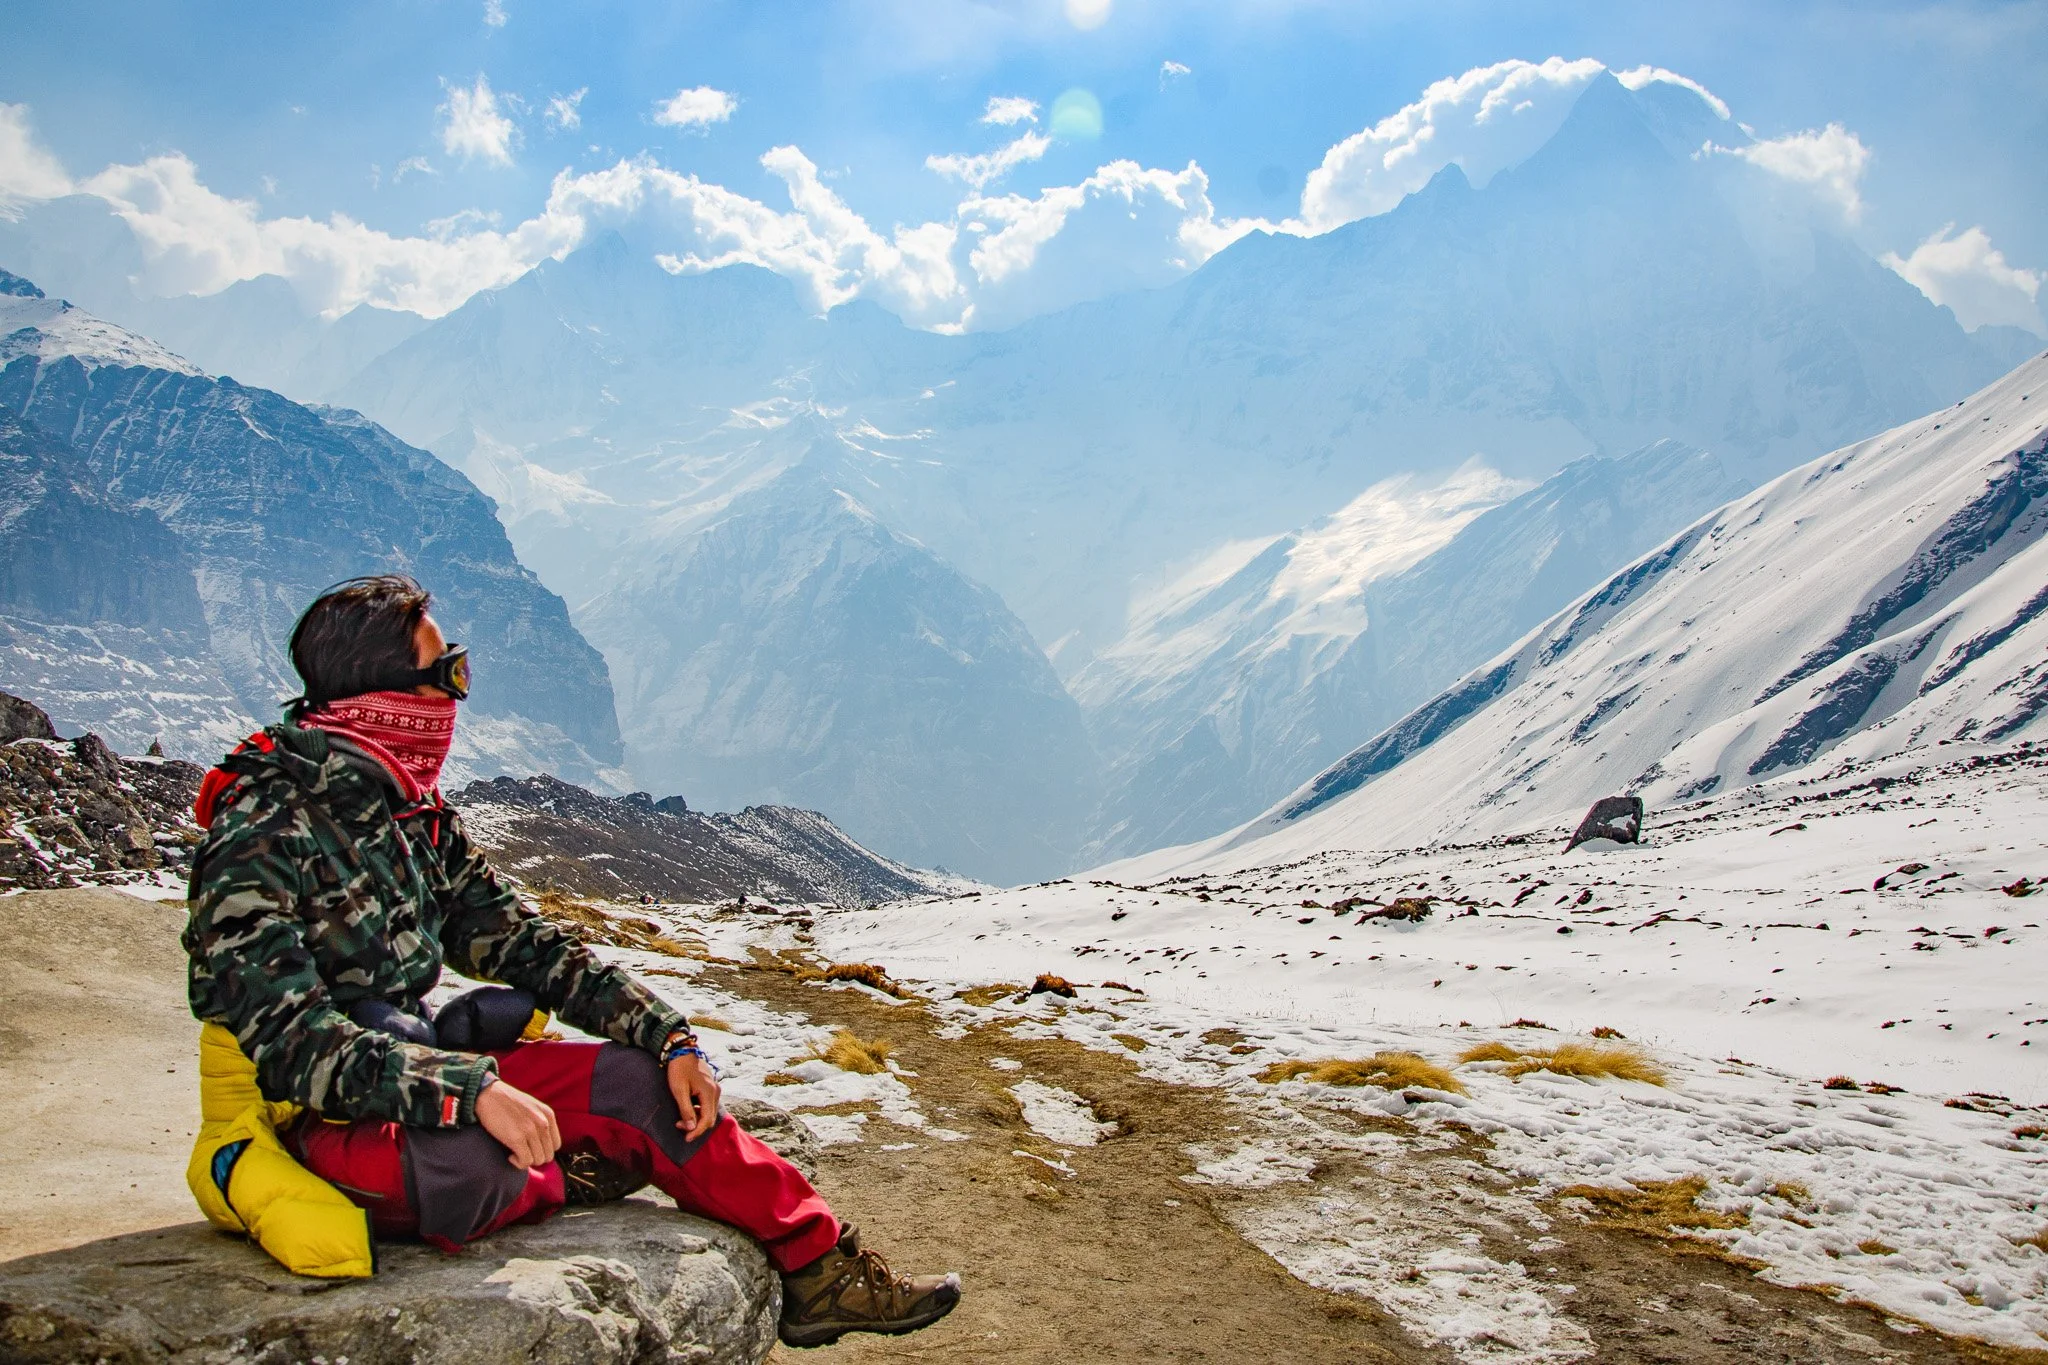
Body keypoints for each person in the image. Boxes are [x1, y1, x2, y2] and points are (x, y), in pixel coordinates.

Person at [182, 574, 960, 1349]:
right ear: (387, 695)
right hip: (308, 1114)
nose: (459, 690)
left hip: (414, 1064)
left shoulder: (407, 807)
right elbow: (290, 1046)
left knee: (642, 1085)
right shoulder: (262, 829)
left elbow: (523, 943)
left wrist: (669, 1036)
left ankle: (819, 1267)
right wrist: (469, 1090)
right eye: (446, 670)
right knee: (471, 1164)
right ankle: (571, 1165)